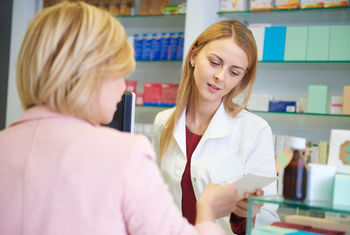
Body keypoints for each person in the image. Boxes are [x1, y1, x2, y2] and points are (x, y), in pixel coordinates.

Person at [0, 2, 242, 235]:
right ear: (91, 75)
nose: (123, 87)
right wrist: (208, 212)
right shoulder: (124, 154)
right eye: (120, 74)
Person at [153, 20, 279, 235]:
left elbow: (269, 218)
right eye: (215, 62)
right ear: (194, 56)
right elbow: (156, 199)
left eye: (234, 72)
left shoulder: (254, 130)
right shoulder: (163, 123)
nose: (220, 77)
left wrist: (244, 214)